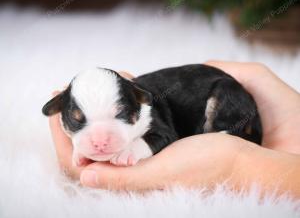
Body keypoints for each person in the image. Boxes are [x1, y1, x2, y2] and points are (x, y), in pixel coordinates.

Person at [48, 60, 300, 197]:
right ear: (61, 112)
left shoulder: (148, 111)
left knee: (224, 94)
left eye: (120, 115)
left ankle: (230, 133)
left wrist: (236, 162)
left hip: (222, 92)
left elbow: (163, 135)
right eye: (79, 121)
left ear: (138, 102)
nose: (100, 140)